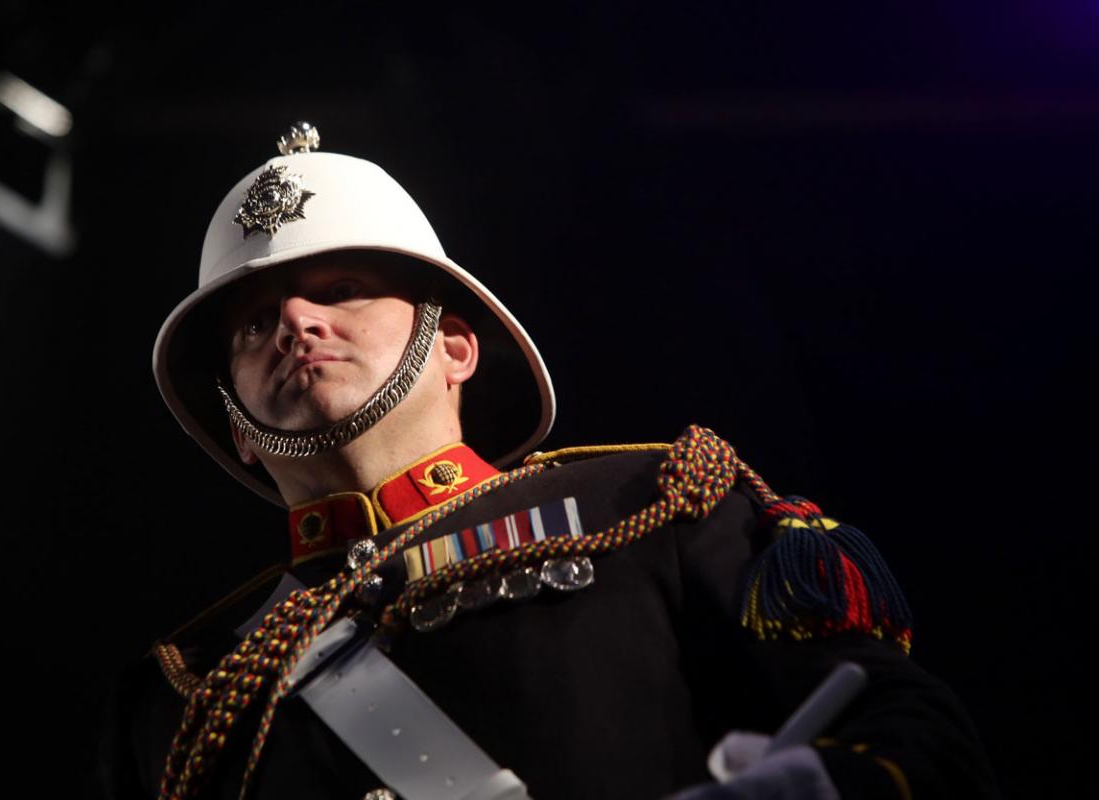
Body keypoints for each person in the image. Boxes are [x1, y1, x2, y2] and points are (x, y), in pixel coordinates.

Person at [101, 122, 997, 800]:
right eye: (255, 323)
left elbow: (919, 739)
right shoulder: (187, 686)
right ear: (239, 429)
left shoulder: (655, 504)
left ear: (455, 346)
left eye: (341, 292)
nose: (298, 322)